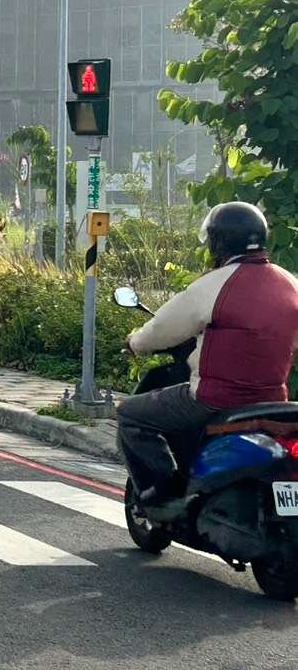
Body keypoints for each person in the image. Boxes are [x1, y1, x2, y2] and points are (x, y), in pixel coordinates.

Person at [118, 201, 298, 520]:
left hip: (213, 401)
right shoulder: (290, 283)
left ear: (219, 242)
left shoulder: (216, 284)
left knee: (130, 414)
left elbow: (162, 329)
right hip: (273, 402)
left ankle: (165, 494)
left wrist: (135, 342)